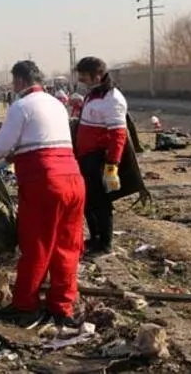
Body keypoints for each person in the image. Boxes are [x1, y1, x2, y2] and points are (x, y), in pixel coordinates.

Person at [0, 60, 85, 327]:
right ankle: (62, 307)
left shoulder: (22, 106)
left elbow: (2, 144)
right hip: (73, 179)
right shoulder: (56, 104)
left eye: (14, 82)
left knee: (36, 246)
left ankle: (26, 305)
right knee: (67, 246)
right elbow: (36, 142)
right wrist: (4, 159)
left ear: (21, 81)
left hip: (44, 183)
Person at [74, 57, 127, 255]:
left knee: (101, 203)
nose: (82, 81)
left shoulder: (112, 99)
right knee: (88, 200)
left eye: (84, 77)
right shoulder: (94, 94)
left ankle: (105, 243)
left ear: (97, 75)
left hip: (98, 158)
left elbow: (118, 135)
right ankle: (94, 237)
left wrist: (112, 166)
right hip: (85, 156)